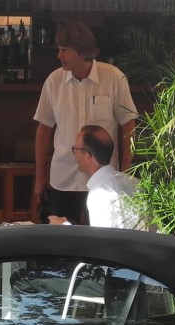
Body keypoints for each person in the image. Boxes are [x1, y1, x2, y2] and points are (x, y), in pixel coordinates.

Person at [31, 21, 137, 225]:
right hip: (62, 179)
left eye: (64, 50)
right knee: (60, 245)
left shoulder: (114, 78)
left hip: (103, 181)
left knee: (101, 241)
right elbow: (43, 130)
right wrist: (40, 176)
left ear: (83, 52)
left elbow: (128, 126)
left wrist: (125, 172)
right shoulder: (54, 81)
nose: (59, 56)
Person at [47, 125, 142, 229]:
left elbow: (101, 242)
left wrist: (65, 227)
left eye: (76, 149)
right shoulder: (134, 181)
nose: (75, 154)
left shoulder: (99, 194)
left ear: (87, 156)